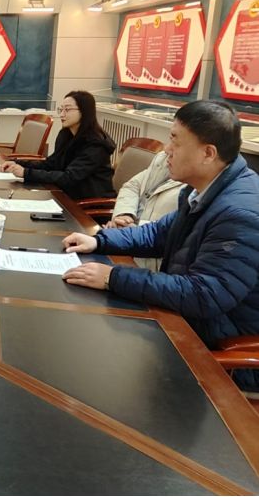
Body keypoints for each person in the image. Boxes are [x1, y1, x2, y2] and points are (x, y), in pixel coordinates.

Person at [61, 100, 259, 391]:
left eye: (175, 140)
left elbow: (204, 294)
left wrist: (113, 277)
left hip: (224, 354)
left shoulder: (239, 212)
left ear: (208, 153)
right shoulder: (205, 189)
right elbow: (157, 234)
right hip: (187, 324)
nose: (167, 149)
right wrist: (98, 240)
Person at [2, 90, 116, 200]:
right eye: (61, 109)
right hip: (65, 194)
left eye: (67, 110)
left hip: (87, 203)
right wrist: (18, 163)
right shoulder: (66, 134)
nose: (62, 114)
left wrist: (26, 173)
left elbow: (69, 177)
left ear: (84, 111)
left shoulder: (96, 144)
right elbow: (51, 163)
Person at [103, 151, 184, 271]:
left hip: (154, 264)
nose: (167, 148)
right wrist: (125, 215)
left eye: (177, 142)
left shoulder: (197, 186)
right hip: (131, 242)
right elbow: (132, 186)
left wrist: (134, 228)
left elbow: (175, 232)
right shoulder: (162, 158)